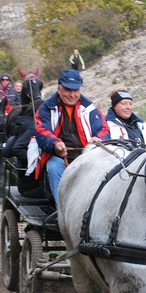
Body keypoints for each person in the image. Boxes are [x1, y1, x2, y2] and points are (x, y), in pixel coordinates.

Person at [31, 69, 108, 225]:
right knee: (53, 167)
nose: (72, 94)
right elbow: (41, 131)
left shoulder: (90, 108)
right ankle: (64, 212)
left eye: (76, 90)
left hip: (87, 155)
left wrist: (98, 139)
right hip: (59, 156)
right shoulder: (47, 108)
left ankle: (99, 210)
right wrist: (55, 144)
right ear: (59, 89)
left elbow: (103, 129)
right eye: (68, 90)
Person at [3, 76, 44, 198]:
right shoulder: (32, 127)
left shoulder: (26, 123)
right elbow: (17, 149)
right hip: (31, 186)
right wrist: (36, 164)